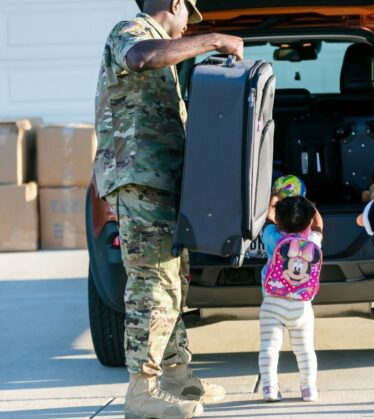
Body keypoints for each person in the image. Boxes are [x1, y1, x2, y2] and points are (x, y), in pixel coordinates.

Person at [93, 1, 243, 417]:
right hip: (138, 181)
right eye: (187, 20)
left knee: (173, 283)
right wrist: (212, 39)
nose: (186, 30)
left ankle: (177, 379)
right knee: (152, 285)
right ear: (175, 4)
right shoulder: (131, 32)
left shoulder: (164, 51)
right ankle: (142, 393)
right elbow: (140, 58)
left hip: (162, 184)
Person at [259, 194, 324, 403]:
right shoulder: (312, 240)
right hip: (302, 305)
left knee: (269, 347)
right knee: (305, 350)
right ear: (308, 220)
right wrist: (313, 208)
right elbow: (319, 226)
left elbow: (267, 220)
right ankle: (309, 389)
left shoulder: (272, 237)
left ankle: (269, 388)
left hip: (272, 302)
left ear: (279, 221)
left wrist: (273, 202)